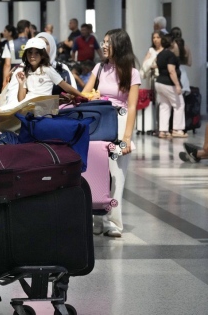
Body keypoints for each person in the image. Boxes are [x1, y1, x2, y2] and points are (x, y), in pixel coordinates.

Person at [82, 28, 140, 238]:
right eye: (104, 41)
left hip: (120, 124)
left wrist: (126, 138)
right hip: (99, 125)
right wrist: (90, 95)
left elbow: (132, 107)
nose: (104, 45)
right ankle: (93, 218)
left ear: (120, 45)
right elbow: (84, 94)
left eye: (109, 42)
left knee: (116, 175)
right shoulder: (98, 68)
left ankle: (112, 222)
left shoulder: (132, 73)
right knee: (95, 172)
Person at [15, 38, 82, 103]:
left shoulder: (47, 69)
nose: (32, 56)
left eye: (36, 53)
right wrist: (21, 83)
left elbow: (65, 86)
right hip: (28, 108)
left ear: (42, 55)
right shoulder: (26, 71)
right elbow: (21, 100)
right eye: (29, 52)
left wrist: (82, 96)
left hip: (44, 109)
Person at [154, 34, 186, 138]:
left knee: (164, 106)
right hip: (168, 83)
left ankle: (163, 131)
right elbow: (171, 70)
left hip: (159, 82)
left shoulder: (160, 54)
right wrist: (177, 85)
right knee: (179, 105)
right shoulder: (171, 55)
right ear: (172, 43)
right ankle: (177, 129)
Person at [1, 19, 30, 89]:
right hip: (30, 73)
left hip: (15, 75)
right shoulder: (33, 42)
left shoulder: (10, 44)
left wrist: (5, 81)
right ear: (26, 29)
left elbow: (7, 65)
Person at [171, 27, 192, 94]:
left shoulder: (171, 47)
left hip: (173, 72)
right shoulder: (186, 47)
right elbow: (189, 63)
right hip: (183, 73)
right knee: (182, 101)